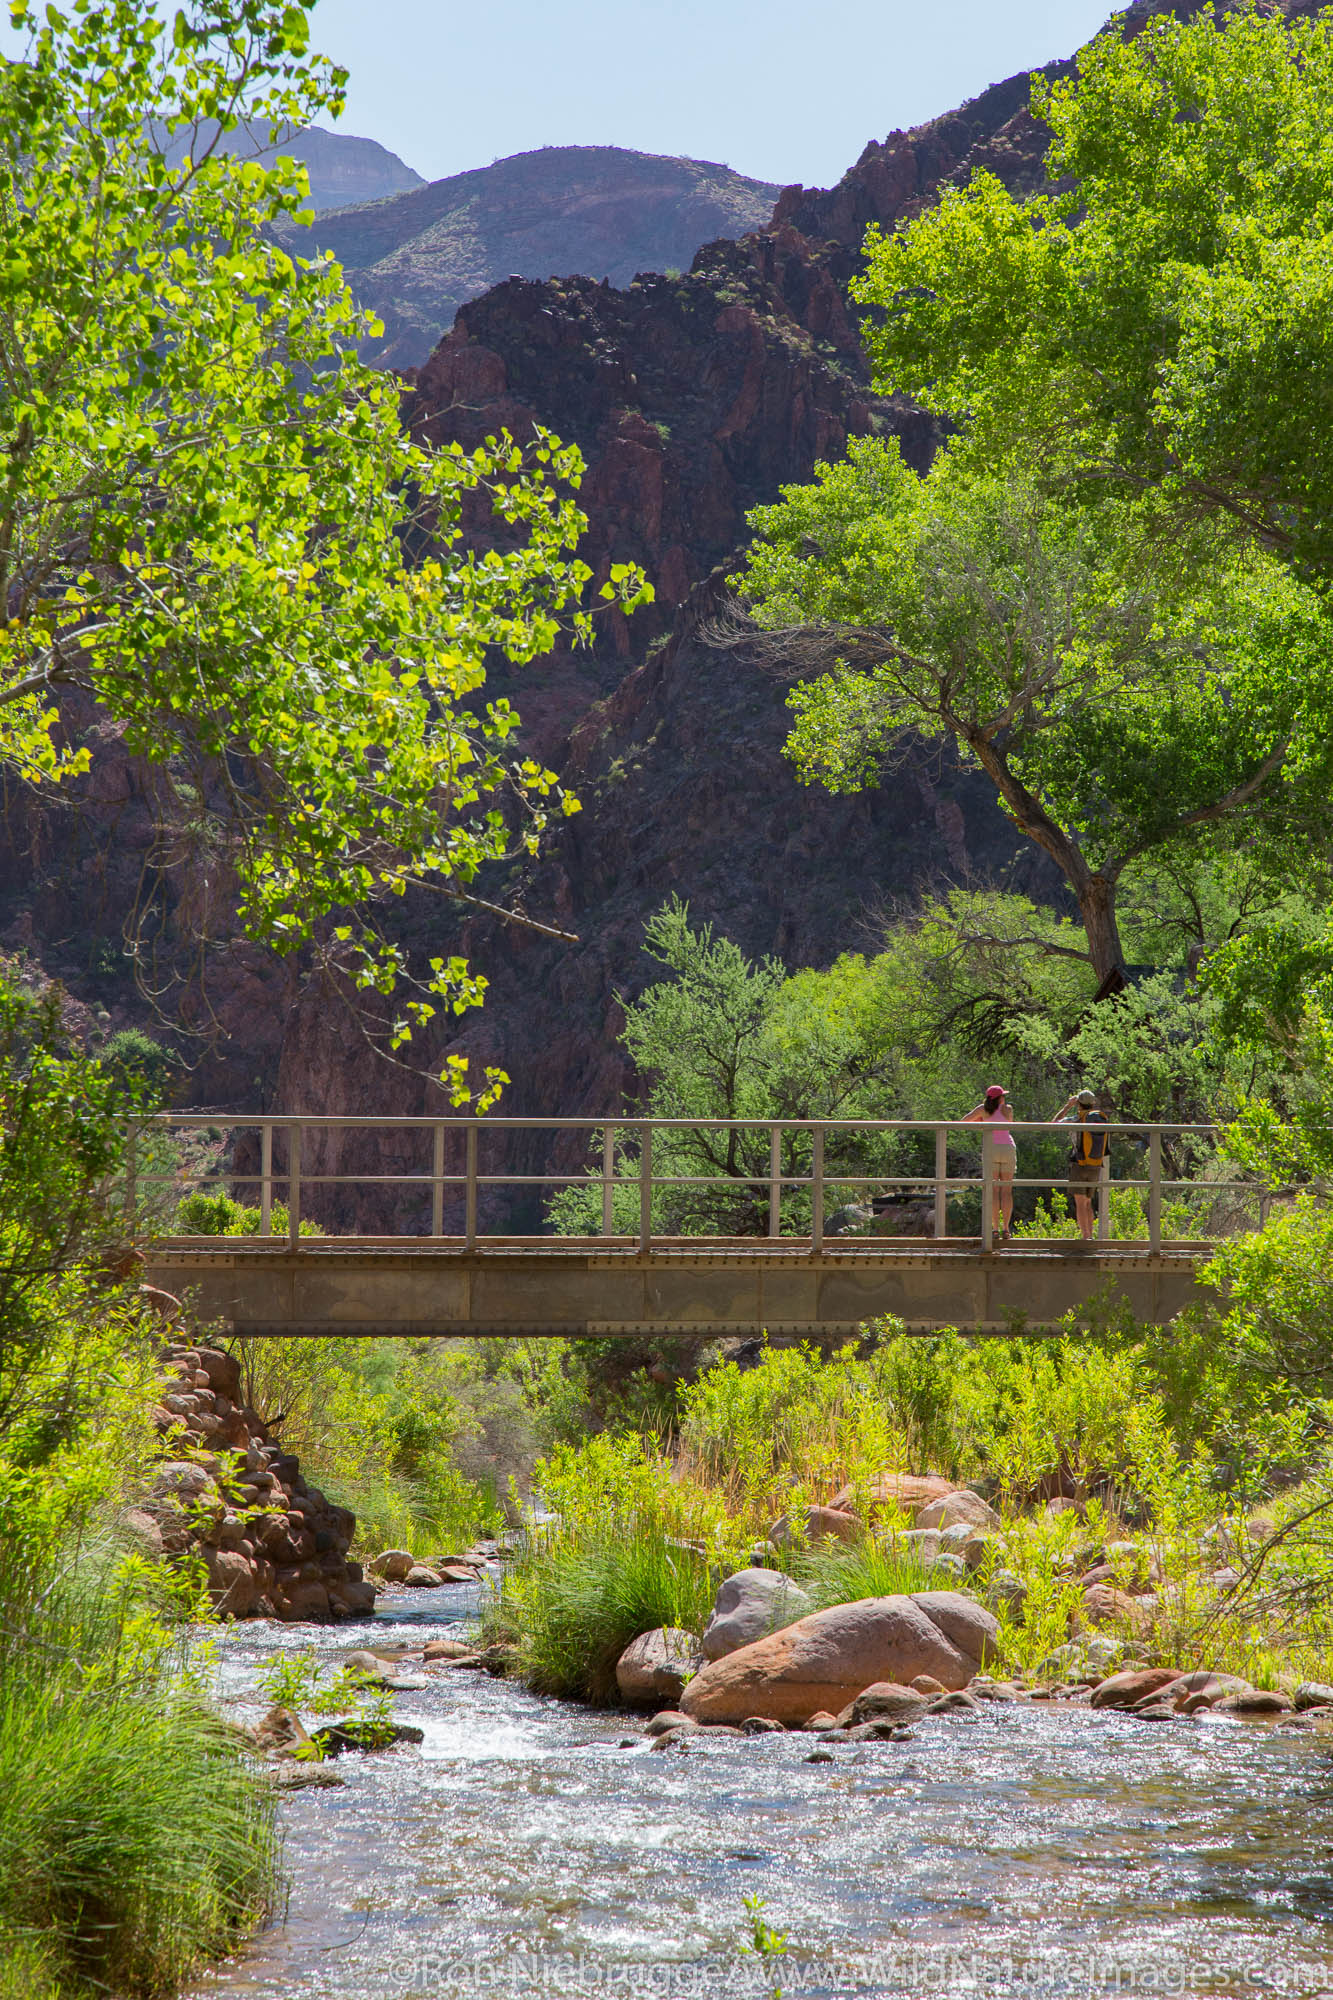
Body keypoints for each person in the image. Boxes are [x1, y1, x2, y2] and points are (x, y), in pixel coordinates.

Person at [1052, 1087, 1109, 1242]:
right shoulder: (1099, 1118)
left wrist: (1067, 1106)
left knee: (1080, 1202)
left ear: (1078, 1103)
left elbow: (1053, 1123)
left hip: (1079, 1163)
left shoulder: (1075, 1119)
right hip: (1096, 1164)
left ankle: (1086, 1237)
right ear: (1092, 1103)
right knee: (1088, 1202)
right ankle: (1090, 1235)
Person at [960, 1083, 1016, 1241]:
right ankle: (1006, 1229)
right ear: (1000, 1098)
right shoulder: (1008, 1109)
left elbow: (963, 1122)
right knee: (1006, 1191)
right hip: (1007, 1149)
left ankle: (995, 1229)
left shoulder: (981, 1110)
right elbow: (1008, 1124)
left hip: (991, 1149)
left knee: (992, 1190)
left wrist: (981, 1124)